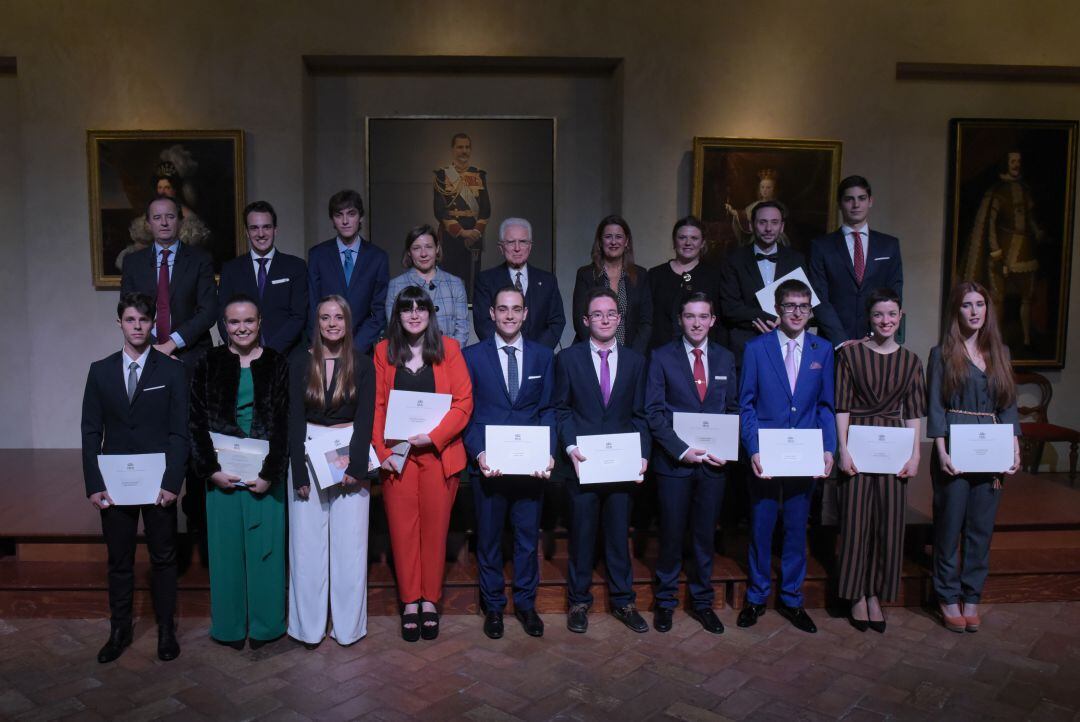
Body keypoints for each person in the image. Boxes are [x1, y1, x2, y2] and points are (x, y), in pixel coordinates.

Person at [80, 292, 188, 663]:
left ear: (152, 324)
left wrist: (173, 482)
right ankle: (119, 630)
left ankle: (166, 633)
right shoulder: (100, 371)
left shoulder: (172, 370)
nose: (138, 326)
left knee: (163, 558)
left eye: (144, 320)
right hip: (114, 483)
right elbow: (90, 431)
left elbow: (179, 432)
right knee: (119, 560)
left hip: (158, 484)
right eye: (130, 320)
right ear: (120, 324)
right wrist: (94, 484)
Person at [188, 295, 289, 650]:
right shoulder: (209, 362)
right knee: (226, 553)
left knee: (267, 552)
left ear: (260, 322)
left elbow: (283, 424)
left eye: (248, 321)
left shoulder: (277, 363)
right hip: (222, 476)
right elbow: (196, 422)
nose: (242, 328)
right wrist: (211, 470)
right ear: (224, 326)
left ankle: (266, 626)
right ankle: (230, 627)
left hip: (264, 476)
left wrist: (270, 473)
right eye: (234, 322)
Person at [372, 286, 473, 642]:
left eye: (421, 308)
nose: (414, 314)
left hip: (437, 455)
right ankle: (409, 602)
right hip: (398, 456)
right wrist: (383, 453)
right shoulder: (383, 351)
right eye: (406, 309)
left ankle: (429, 601)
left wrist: (435, 436)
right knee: (401, 532)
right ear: (397, 315)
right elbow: (377, 406)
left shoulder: (450, 349)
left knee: (434, 532)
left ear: (431, 313)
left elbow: (463, 402)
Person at [736, 278, 835, 634]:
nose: (797, 312)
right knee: (762, 527)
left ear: (810, 311)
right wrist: (754, 449)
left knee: (796, 530)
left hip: (805, 455)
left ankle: (792, 599)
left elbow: (825, 406)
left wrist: (828, 448)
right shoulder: (756, 348)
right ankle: (756, 596)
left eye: (803, 306)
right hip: (766, 455)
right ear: (777, 310)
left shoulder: (823, 350)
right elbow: (745, 404)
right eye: (790, 305)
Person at [555, 287, 651, 634]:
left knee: (617, 537)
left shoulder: (636, 362)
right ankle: (579, 602)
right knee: (581, 537)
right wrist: (569, 449)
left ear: (620, 319)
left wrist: (642, 455)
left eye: (611, 313)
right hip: (582, 464)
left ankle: (623, 602)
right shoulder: (568, 359)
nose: (605, 319)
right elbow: (561, 410)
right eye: (597, 314)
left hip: (622, 468)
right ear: (585, 321)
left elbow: (641, 415)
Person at [463, 286, 556, 639]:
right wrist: (478, 452)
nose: (509, 315)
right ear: (491, 313)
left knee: (527, 540)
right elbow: (466, 414)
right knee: (488, 540)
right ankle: (493, 607)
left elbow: (548, 409)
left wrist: (547, 451)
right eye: (502, 309)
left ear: (526, 313)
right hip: (489, 466)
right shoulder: (472, 357)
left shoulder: (543, 357)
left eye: (516, 309)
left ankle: (526, 605)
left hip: (530, 468)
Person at [927, 280, 1020, 632]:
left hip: (992, 446)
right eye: (967, 305)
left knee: (981, 529)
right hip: (955, 445)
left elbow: (1008, 404)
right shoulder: (942, 354)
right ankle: (948, 596)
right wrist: (941, 451)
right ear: (957, 310)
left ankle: (971, 595)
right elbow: (935, 405)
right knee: (950, 526)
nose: (975, 311)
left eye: (980, 304)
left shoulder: (1001, 353)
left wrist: (1013, 448)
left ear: (988, 309)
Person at [646, 291, 738, 634]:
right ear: (680, 320)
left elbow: (733, 409)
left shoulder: (726, 358)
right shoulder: (661, 357)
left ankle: (702, 602)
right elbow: (653, 412)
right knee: (670, 535)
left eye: (703, 316)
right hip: (674, 465)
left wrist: (727, 447)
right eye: (690, 316)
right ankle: (665, 602)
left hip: (713, 465)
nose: (696, 323)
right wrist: (679, 449)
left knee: (704, 536)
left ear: (713, 320)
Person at [835, 288, 926, 633]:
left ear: (900, 317)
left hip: (894, 447)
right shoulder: (851, 356)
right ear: (869, 319)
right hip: (858, 441)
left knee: (888, 523)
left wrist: (916, 453)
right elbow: (842, 405)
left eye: (891, 314)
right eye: (878, 315)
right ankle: (856, 593)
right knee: (857, 522)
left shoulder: (911, 361)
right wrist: (843, 449)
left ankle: (876, 593)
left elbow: (915, 413)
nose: (885, 321)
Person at [287, 296, 376, 647]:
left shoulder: (364, 364)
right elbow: (293, 417)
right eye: (325, 317)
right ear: (317, 322)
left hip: (348, 456)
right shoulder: (299, 362)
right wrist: (297, 471)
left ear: (348, 321)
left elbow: (366, 418)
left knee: (350, 549)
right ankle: (308, 629)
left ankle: (348, 628)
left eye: (338, 317)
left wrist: (356, 466)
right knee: (306, 549)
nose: (332, 323)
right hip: (308, 455)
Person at [120, 195, 217, 366]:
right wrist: (152, 345)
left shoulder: (200, 259)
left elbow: (208, 312)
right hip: (145, 351)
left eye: (170, 216)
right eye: (157, 217)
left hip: (191, 354)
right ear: (149, 223)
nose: (164, 222)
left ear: (180, 221)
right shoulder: (133, 262)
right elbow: (128, 309)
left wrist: (171, 344)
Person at [962, 151, 1045, 347]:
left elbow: (1029, 218)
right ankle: (995, 339)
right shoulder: (998, 193)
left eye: (1018, 161)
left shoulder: (1024, 190)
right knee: (998, 298)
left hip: (1024, 249)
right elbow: (989, 224)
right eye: (1012, 161)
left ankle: (1025, 338)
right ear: (1006, 164)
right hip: (1003, 251)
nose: (1016, 164)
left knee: (1027, 295)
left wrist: (1037, 231)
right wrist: (996, 250)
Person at [809, 176, 903, 346]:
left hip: (878, 341)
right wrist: (841, 341)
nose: (856, 205)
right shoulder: (821, 246)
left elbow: (894, 294)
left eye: (861, 198)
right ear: (839, 203)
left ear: (870, 201)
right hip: (834, 343)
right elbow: (819, 297)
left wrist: (875, 335)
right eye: (849, 199)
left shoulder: (889, 245)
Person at [717, 201, 807, 367]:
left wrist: (785, 324)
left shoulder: (796, 260)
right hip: (745, 345)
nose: (768, 229)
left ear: (782, 227)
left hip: (788, 344)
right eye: (762, 222)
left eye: (774, 222)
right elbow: (730, 308)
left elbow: (805, 303)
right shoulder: (733, 260)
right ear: (751, 225)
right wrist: (774, 319)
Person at [217, 201, 308, 357]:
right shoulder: (231, 269)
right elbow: (222, 316)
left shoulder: (296, 266)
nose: (261, 234)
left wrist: (269, 352)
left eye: (266, 227)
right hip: (241, 356)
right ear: (246, 232)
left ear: (275, 230)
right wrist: (242, 350)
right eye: (254, 228)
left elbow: (299, 316)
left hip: (286, 356)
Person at [307, 189, 389, 354]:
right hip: (324, 347)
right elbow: (313, 304)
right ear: (332, 220)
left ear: (361, 217)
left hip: (361, 349)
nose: (345, 221)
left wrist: (355, 347)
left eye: (351, 214)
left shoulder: (378, 257)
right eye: (339, 215)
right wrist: (321, 344)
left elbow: (379, 310)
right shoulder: (317, 255)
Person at [473, 217, 566, 348]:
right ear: (501, 248)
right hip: (500, 357)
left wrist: (535, 353)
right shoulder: (485, 280)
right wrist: (507, 350)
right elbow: (483, 323)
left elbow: (556, 321)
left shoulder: (548, 281)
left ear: (530, 246)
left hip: (538, 359)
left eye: (523, 242)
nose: (517, 248)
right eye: (511, 242)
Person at [571, 215, 652, 354]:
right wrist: (598, 352)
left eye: (619, 237)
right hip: (592, 353)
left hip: (631, 353)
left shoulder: (640, 275)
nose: (613, 242)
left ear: (626, 242)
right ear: (600, 242)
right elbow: (580, 320)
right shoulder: (585, 274)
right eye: (608, 236)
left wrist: (632, 356)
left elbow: (646, 322)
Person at [385, 224, 470, 346]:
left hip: (448, 358)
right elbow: (394, 329)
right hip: (409, 359)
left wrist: (450, 358)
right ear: (409, 252)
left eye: (429, 247)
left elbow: (462, 330)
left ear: (437, 249)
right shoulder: (396, 285)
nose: (423, 254)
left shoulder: (455, 284)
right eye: (416, 248)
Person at [648, 216, 724, 351]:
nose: (688, 243)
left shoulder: (714, 276)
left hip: (701, 354)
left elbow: (719, 320)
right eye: (682, 238)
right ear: (674, 242)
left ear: (702, 243)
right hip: (661, 353)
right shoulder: (655, 275)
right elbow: (647, 319)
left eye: (694, 238)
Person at [434, 133, 491, 292]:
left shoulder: (479, 174)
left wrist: (474, 232)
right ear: (453, 150)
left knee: (472, 282)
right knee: (450, 280)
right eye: (460, 147)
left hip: (474, 236)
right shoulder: (442, 175)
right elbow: (439, 210)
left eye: (467, 147)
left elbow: (485, 209)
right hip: (452, 236)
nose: (464, 151)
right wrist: (461, 233)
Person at [725, 169, 784, 246]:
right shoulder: (755, 205)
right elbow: (745, 216)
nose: (764, 190)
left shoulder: (779, 206)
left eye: (768, 187)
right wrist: (734, 212)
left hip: (775, 237)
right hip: (757, 237)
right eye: (762, 187)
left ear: (774, 189)